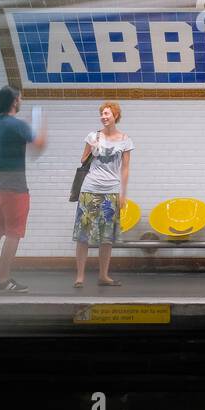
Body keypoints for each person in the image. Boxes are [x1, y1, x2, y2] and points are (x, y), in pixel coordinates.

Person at [0, 85, 46, 294]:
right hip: (15, 188)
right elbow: (39, 146)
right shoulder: (17, 125)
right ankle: (3, 280)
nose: (22, 102)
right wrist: (41, 124)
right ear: (15, 101)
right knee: (13, 234)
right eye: (21, 99)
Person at [73, 101, 132, 288]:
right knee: (83, 234)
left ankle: (103, 276)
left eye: (107, 114)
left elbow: (125, 168)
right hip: (90, 189)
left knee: (106, 237)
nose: (104, 117)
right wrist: (92, 148)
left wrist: (123, 193)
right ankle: (80, 276)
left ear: (116, 116)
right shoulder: (93, 136)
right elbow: (83, 160)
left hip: (111, 191)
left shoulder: (125, 140)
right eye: (102, 114)